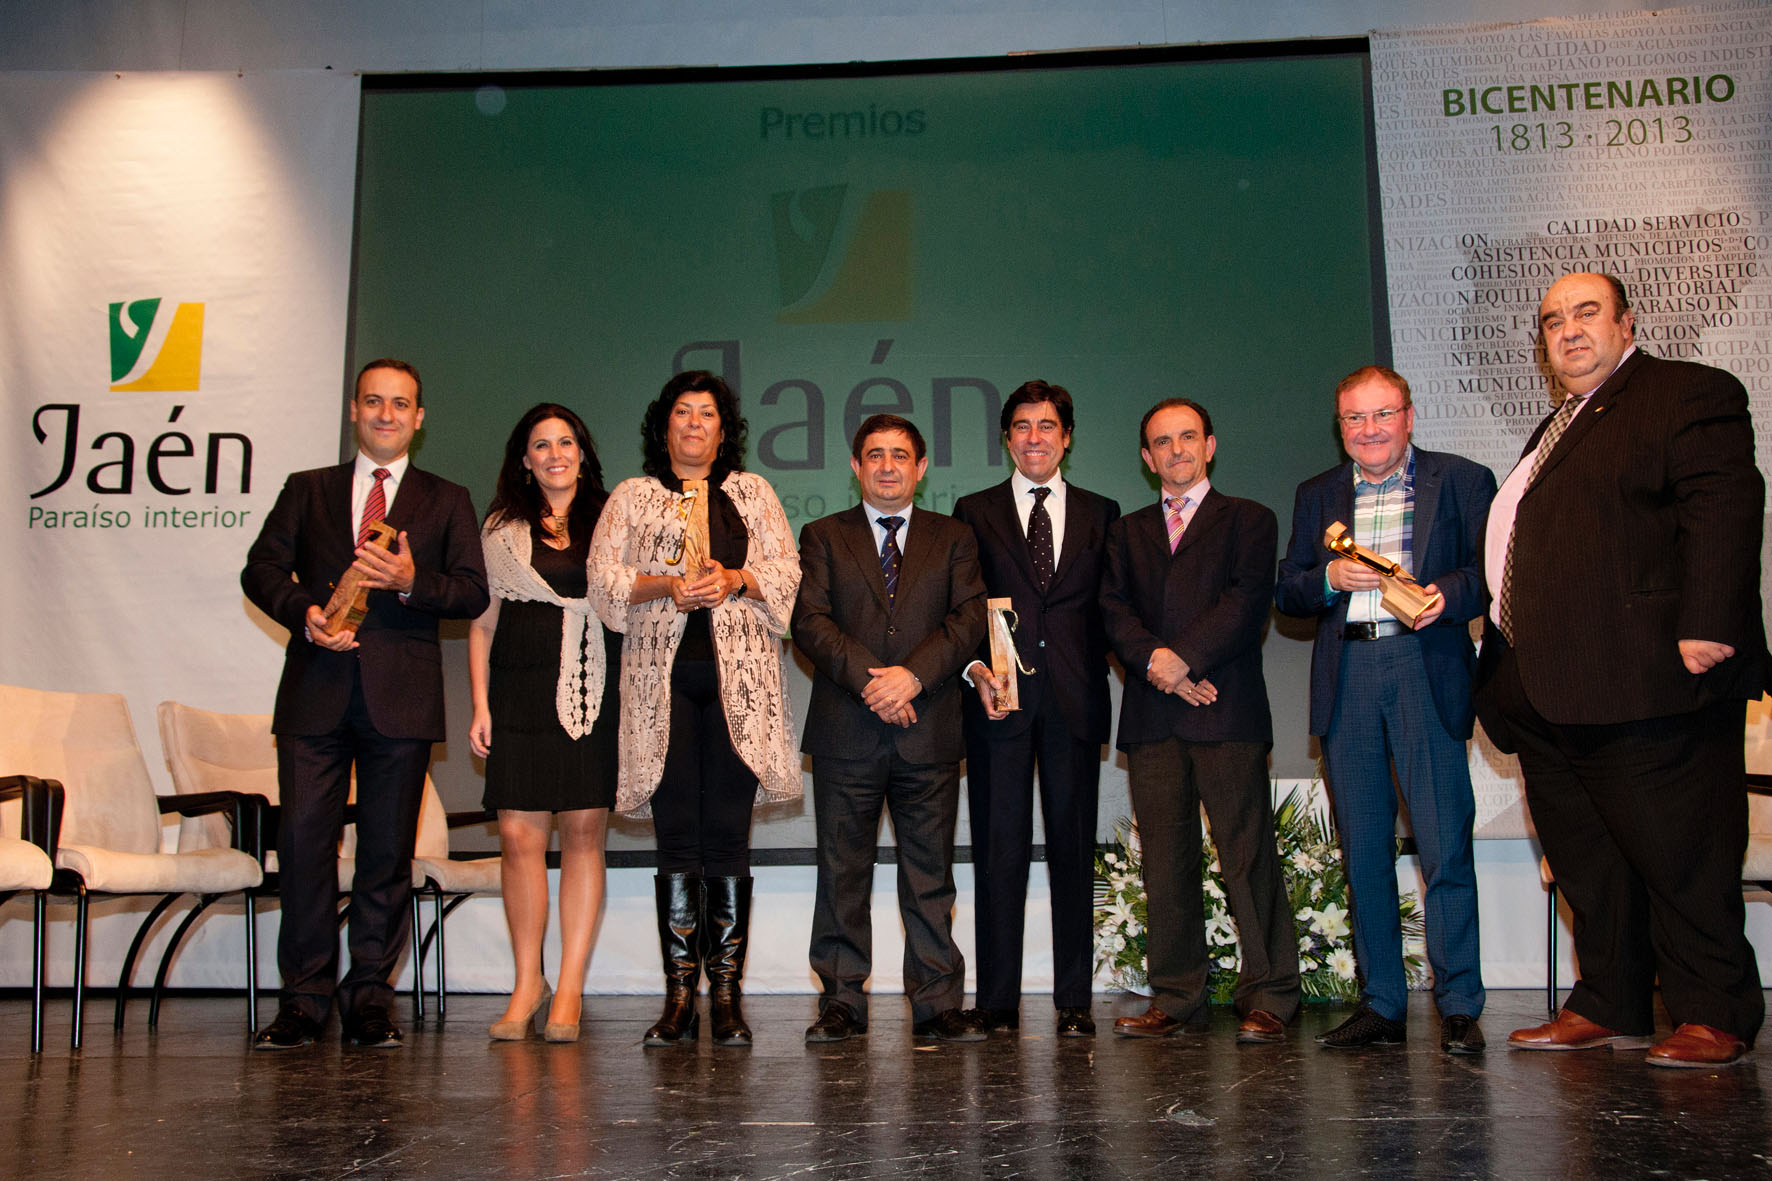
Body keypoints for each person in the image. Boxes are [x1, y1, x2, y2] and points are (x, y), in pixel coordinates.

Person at [1475, 272, 1767, 1068]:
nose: (1567, 331)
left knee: (1681, 853)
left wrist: (1708, 620)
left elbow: (1725, 502)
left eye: (1585, 313)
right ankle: (1611, 999)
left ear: (1626, 320)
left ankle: (1713, 1008)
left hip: (1645, 681)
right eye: (1552, 321)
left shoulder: (1684, 393)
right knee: (1590, 865)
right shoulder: (1556, 426)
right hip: (1549, 690)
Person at [242, 357, 489, 1050]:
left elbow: (470, 591)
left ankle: (371, 997)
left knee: (386, 853)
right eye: (373, 401)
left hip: (400, 699)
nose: (386, 413)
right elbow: (260, 568)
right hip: (314, 693)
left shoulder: (446, 498)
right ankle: (303, 999)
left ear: (419, 417)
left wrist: (413, 580)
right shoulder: (307, 489)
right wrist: (304, 609)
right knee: (303, 847)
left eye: (400, 403)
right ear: (354, 411)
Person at [1275, 365, 1497, 1055]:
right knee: (1364, 851)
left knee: (1443, 846)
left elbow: (1488, 571)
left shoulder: (1461, 479)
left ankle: (1460, 1001)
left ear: (1408, 415)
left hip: (1423, 666)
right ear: (1339, 427)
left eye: (1382, 414)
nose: (1369, 430)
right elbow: (1289, 589)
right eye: (1354, 419)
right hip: (1349, 676)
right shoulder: (1318, 494)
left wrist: (1446, 594)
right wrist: (1329, 579)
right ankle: (1382, 1004)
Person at [588, 371, 801, 1048]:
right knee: (678, 837)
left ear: (722, 428)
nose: (694, 424)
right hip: (663, 687)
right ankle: (680, 996)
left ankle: (729, 999)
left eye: (707, 414)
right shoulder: (633, 495)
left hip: (741, 689)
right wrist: (665, 585)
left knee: (728, 839)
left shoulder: (752, 492)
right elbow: (604, 580)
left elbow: (789, 574)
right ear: (665, 424)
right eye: (682, 412)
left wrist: (737, 578)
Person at [1099, 398, 1300, 1043]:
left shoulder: (1250, 520)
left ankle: (1269, 993)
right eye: (1162, 441)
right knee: (1165, 860)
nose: (1176, 450)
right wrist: (1156, 662)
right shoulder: (1125, 532)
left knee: (1247, 855)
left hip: (1227, 709)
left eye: (1188, 437)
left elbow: (1245, 603)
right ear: (1146, 457)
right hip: (1153, 718)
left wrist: (1182, 659)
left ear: (1210, 445)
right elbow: (1111, 610)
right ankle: (1177, 994)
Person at [793, 414, 988, 1043]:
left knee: (930, 875)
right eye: (874, 455)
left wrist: (913, 677)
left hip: (928, 728)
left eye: (899, 455)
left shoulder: (954, 537)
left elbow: (968, 618)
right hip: (848, 730)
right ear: (855, 467)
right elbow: (811, 622)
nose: (886, 466)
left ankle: (937, 1004)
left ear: (921, 467)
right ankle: (842, 1000)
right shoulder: (823, 535)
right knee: (841, 871)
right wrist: (876, 683)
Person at [952, 381, 1120, 1037]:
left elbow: (1111, 609)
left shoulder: (1104, 512)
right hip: (999, 705)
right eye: (1021, 426)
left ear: (1067, 436)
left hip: (1075, 703)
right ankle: (996, 999)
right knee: (999, 851)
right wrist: (974, 670)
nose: (1034, 437)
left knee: (1075, 852)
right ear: (1006, 437)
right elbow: (965, 605)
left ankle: (1074, 997)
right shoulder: (974, 509)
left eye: (1047, 425)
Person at [468, 403, 619, 1043]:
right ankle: (528, 983)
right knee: (519, 838)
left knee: (583, 833)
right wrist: (479, 704)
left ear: (582, 452)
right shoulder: (501, 527)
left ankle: (572, 986)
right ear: (525, 460)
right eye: (540, 445)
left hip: (594, 686)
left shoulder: (614, 518)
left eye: (565, 442)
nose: (554, 453)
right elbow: (481, 619)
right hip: (517, 686)